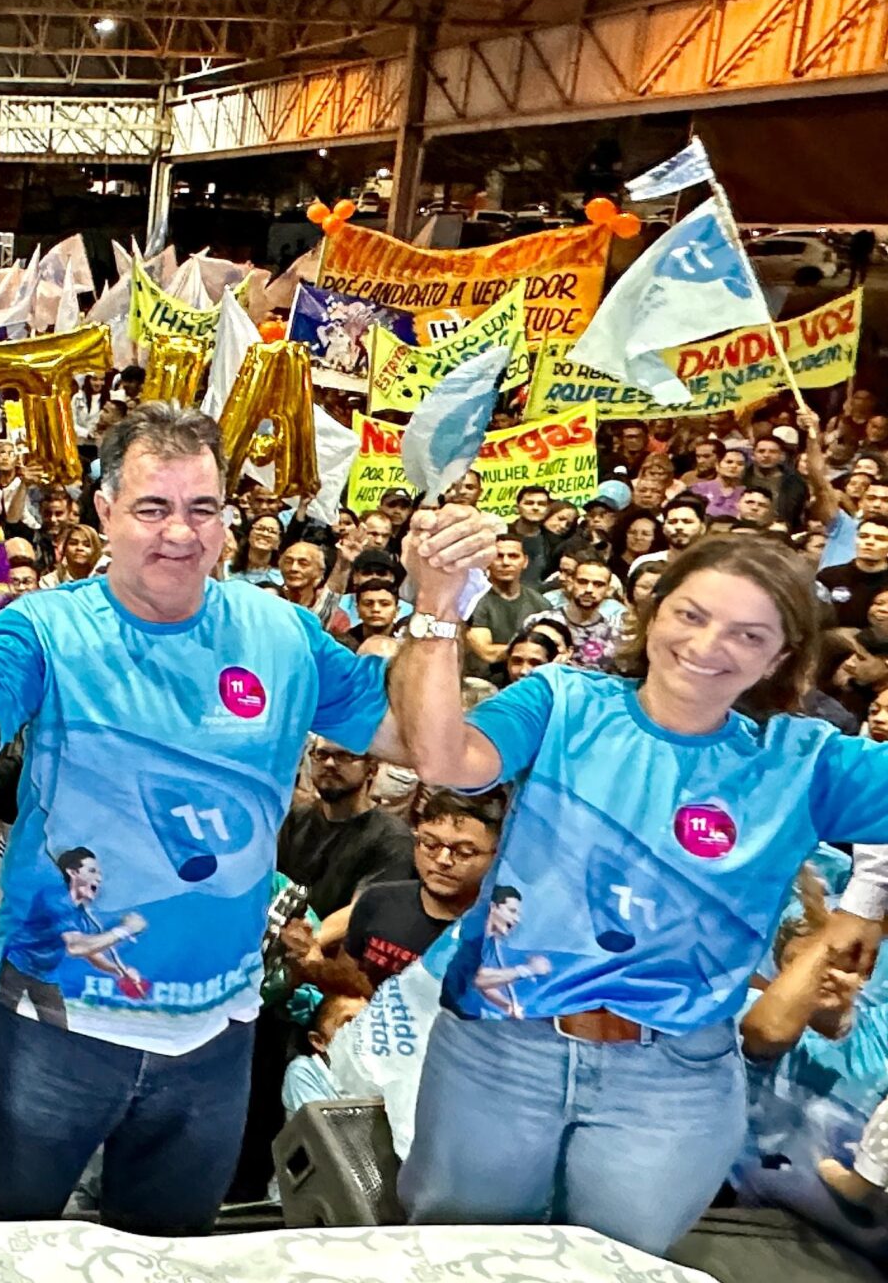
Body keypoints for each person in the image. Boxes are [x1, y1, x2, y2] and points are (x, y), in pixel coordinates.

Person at [0, 402, 491, 1237]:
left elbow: (416, 737)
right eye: (153, 509)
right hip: (58, 1019)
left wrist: (437, 605)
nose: (180, 534)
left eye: (202, 509)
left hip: (215, 1030)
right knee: (12, 1244)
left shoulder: (284, 634)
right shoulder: (44, 627)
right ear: (104, 512)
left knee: (170, 1252)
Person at [391, 523, 888, 1255]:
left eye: (749, 635)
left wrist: (860, 909)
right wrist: (437, 602)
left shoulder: (805, 761)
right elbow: (444, 758)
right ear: (654, 613)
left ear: (781, 658)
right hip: (500, 1053)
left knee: (615, 1270)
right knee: (456, 1259)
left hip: (673, 1080)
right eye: (691, 615)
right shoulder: (564, 701)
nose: (709, 646)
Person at [304, 789, 504, 987]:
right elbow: (344, 987)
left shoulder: (498, 935)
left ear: (497, 856)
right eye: (430, 844)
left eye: (464, 852)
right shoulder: (376, 901)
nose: (443, 860)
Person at [276, 738, 415, 921]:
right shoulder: (296, 818)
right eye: (321, 754)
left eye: (344, 756)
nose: (329, 763)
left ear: (371, 769)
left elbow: (361, 913)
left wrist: (304, 943)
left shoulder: (393, 838)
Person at [524, 554, 630, 668]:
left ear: (608, 590)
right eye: (582, 582)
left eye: (598, 584)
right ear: (571, 583)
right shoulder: (538, 622)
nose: (589, 590)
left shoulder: (614, 635)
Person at [463, 538, 543, 685]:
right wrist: (530, 652)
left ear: (525, 561)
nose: (505, 562)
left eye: (513, 556)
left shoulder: (540, 603)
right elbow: (487, 653)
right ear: (488, 561)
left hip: (525, 682)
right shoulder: (473, 600)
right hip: (481, 683)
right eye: (498, 556)